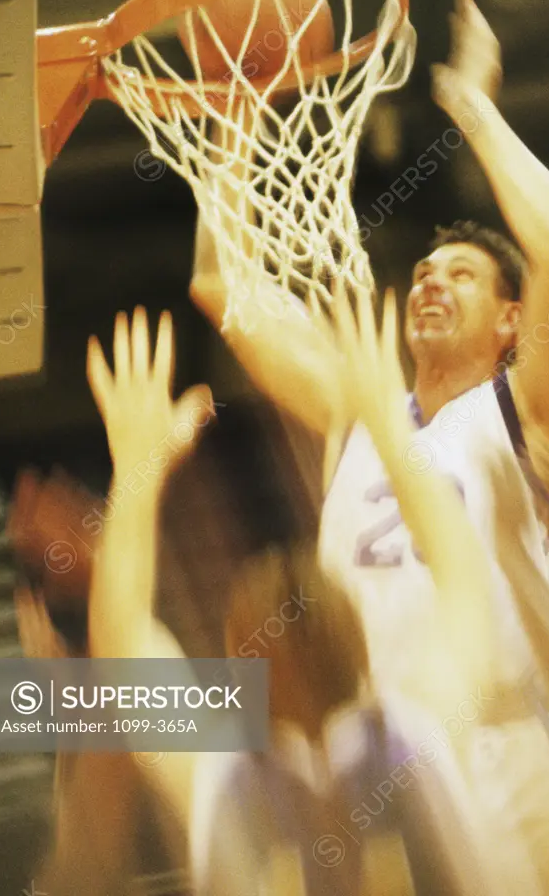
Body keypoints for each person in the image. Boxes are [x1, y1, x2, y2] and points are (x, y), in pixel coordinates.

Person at [190, 0, 549, 892]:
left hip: (501, 738)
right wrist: (233, 111)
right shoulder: (358, 408)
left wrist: (472, 105)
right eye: (421, 272)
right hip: (367, 752)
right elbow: (224, 284)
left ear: (511, 321)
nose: (430, 283)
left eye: (461, 275)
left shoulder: (523, 411)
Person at [84, 302, 509, 895]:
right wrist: (384, 424)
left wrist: (137, 464)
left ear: (239, 668)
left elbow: (122, 637)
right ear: (362, 648)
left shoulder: (224, 783)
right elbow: (464, 574)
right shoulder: (421, 735)